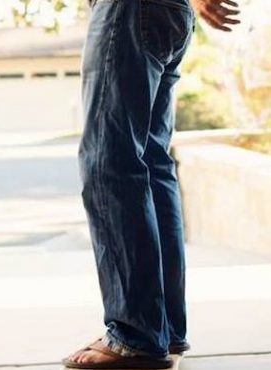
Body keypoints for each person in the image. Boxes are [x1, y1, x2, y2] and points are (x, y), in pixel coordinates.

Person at [63, 0, 240, 368]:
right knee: (149, 165)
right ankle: (161, 330)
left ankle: (136, 335)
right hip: (161, 12)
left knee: (111, 163)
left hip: (130, 10)